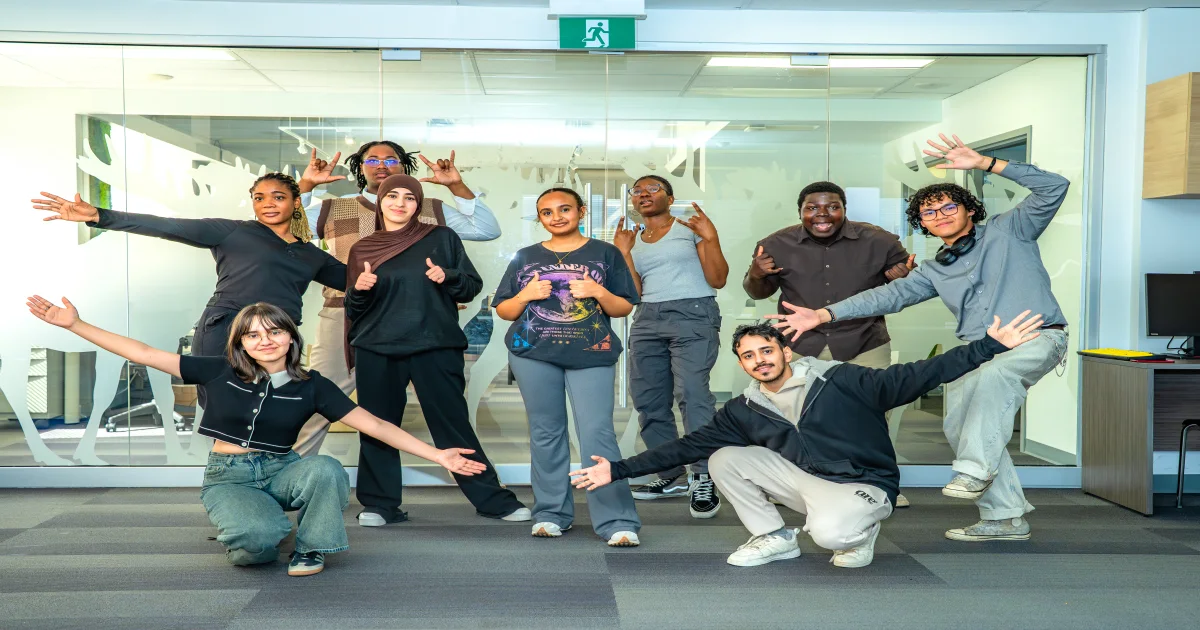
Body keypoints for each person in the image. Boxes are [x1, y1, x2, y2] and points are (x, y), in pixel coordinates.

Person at [26, 298, 486, 576]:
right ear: (240, 344)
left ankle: (310, 548)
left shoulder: (312, 385)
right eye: (252, 336)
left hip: (282, 469)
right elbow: (143, 352)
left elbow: (377, 425)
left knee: (326, 468)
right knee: (256, 548)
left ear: (290, 337)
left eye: (274, 332)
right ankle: (253, 527)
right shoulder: (218, 370)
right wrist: (75, 326)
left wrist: (438, 455)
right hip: (229, 476)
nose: (264, 340)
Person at [767, 133, 1071, 542]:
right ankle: (1005, 517)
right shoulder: (934, 270)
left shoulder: (1010, 231)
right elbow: (886, 296)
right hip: (983, 350)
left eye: (948, 206)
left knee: (991, 383)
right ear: (922, 223)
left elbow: (1054, 186)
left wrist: (984, 163)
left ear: (970, 209)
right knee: (958, 422)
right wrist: (823, 314)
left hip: (1034, 336)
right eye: (929, 212)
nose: (939, 215)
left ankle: (974, 470)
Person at [570, 314, 1045, 568]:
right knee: (724, 457)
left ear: (786, 350)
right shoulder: (745, 407)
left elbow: (924, 372)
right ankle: (774, 537)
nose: (759, 360)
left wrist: (991, 346)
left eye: (766, 350)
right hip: (806, 482)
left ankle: (861, 527)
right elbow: (686, 446)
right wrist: (618, 469)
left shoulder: (844, 381)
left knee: (833, 537)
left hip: (863, 484)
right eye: (749, 356)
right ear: (742, 363)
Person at [32, 173, 344, 407]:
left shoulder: (310, 255)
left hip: (275, 338)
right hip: (225, 330)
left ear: (296, 202)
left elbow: (359, 281)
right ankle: (228, 471)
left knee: (273, 408)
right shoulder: (234, 231)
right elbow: (166, 226)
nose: (267, 204)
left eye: (278, 197)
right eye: (259, 198)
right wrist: (100, 216)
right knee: (225, 410)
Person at [293, 143, 500, 458]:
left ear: (404, 166)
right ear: (359, 166)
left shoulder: (430, 208)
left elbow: (486, 229)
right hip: (344, 316)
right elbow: (282, 228)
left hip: (418, 321)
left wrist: (456, 186)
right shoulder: (332, 208)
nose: (382, 165)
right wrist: (306, 187)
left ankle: (468, 475)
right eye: (372, 160)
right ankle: (292, 473)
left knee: (438, 412)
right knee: (319, 400)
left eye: (391, 160)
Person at [344, 174, 528, 527]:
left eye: (409, 197)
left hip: (435, 344)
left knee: (452, 425)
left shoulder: (441, 237)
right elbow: (355, 310)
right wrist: (360, 290)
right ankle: (380, 505)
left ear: (418, 204)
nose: (400, 203)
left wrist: (448, 277)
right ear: (380, 202)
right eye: (392, 196)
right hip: (377, 348)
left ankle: (492, 500)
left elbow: (471, 287)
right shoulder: (363, 248)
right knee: (377, 427)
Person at [743, 180, 916, 507]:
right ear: (800, 211)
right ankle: (794, 485)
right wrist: (755, 273)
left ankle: (877, 484)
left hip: (864, 340)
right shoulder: (775, 244)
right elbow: (757, 291)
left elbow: (907, 286)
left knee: (871, 414)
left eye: (832, 207)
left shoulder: (880, 241)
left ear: (844, 209)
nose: (822, 214)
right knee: (793, 415)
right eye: (812, 208)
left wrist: (901, 278)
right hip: (800, 343)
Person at [493, 187, 642, 547]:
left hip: (591, 352)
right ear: (540, 218)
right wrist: (526, 295)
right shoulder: (526, 257)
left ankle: (617, 519)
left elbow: (624, 307)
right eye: (547, 212)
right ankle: (551, 513)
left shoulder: (605, 253)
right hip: (533, 353)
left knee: (597, 434)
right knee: (546, 432)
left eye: (564, 209)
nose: (556, 217)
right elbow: (505, 310)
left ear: (581, 211)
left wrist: (597, 291)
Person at [612, 175, 729, 518]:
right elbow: (634, 294)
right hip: (648, 317)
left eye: (653, 189)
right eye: (637, 191)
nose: (644, 194)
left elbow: (718, 279)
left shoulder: (688, 229)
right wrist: (623, 253)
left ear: (670, 197)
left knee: (693, 394)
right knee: (648, 399)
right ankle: (670, 473)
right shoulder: (634, 239)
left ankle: (704, 475)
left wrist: (711, 237)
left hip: (693, 312)